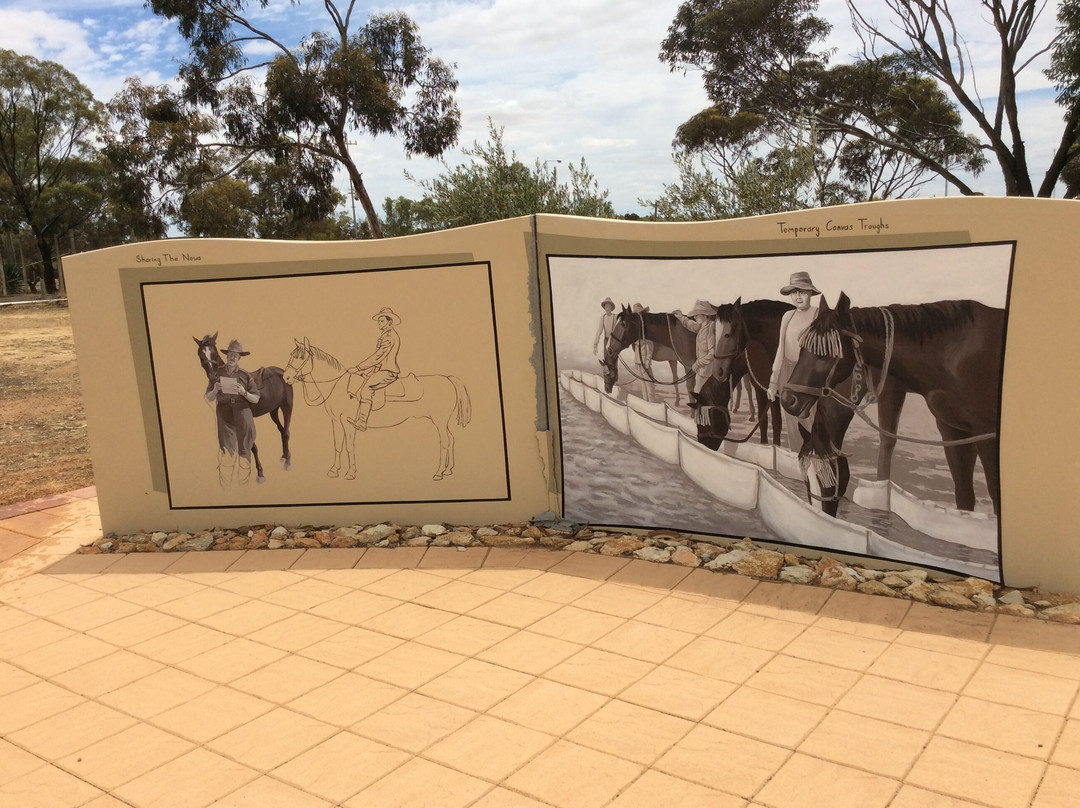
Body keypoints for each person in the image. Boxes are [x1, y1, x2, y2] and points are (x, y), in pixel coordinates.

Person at [768, 271, 822, 452]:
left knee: (811, 421)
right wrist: (773, 382)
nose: (798, 296)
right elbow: (780, 350)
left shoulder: (818, 315)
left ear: (810, 293)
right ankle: (797, 463)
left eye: (803, 291)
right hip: (787, 374)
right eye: (794, 292)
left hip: (808, 377)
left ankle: (816, 461)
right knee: (791, 423)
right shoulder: (787, 316)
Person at [205, 339, 261, 476]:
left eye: (236, 355)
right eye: (230, 354)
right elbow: (208, 398)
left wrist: (244, 392)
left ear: (239, 358)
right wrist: (215, 390)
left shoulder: (245, 375)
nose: (232, 357)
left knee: (244, 455)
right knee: (227, 456)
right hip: (225, 413)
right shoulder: (217, 373)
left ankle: (244, 490)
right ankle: (225, 491)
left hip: (242, 413)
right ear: (226, 355)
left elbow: (256, 398)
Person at [348, 307, 401, 431]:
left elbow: (378, 356)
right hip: (380, 369)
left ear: (390, 322)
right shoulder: (385, 335)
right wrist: (364, 371)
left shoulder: (389, 337)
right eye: (378, 321)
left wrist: (358, 367)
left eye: (381, 321)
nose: (379, 323)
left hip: (388, 371)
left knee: (366, 389)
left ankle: (362, 422)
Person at [673, 299, 717, 400]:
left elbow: (712, 354)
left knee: (702, 398)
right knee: (700, 398)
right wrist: (681, 317)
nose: (695, 317)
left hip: (707, 373)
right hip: (702, 372)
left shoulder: (711, 329)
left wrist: (698, 364)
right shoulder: (702, 326)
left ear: (705, 315)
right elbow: (691, 325)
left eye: (697, 315)